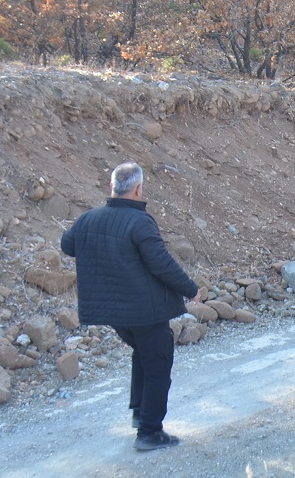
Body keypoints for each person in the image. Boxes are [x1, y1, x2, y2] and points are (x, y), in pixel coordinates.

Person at [61, 162, 201, 452]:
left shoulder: (89, 218)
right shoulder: (140, 221)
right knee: (158, 364)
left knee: (144, 356)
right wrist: (190, 289)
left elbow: (68, 245)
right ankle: (150, 432)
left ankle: (140, 414)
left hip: (113, 313)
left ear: (112, 187)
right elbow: (160, 263)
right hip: (145, 310)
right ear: (138, 189)